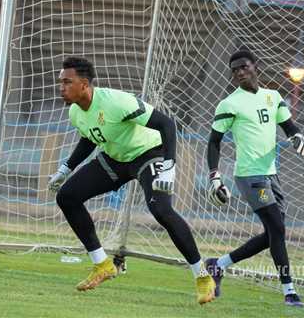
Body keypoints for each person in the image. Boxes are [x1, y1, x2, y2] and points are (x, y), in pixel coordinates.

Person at [48, 56, 216, 304]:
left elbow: (166, 124)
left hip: (148, 154)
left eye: (66, 82)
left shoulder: (117, 102)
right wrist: (66, 168)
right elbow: (89, 137)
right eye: (60, 82)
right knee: (67, 197)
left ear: (84, 84)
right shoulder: (75, 112)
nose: (61, 87)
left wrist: (169, 166)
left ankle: (203, 277)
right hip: (116, 159)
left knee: (161, 209)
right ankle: (102, 264)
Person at [204, 49, 304, 307]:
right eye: (235, 70)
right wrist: (215, 176)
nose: (239, 72)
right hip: (250, 176)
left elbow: (288, 126)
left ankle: (218, 265)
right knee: (277, 228)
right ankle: (289, 292)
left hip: (271, 174)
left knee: (275, 233)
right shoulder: (230, 104)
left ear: (255, 66)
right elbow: (214, 142)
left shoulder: (273, 97)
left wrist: (297, 136)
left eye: (244, 66)